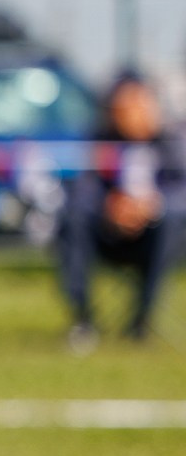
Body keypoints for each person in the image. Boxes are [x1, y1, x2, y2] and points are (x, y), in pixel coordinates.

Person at [59, 73, 181, 347]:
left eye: (139, 106)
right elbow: (79, 188)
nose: (132, 115)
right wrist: (108, 208)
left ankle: (142, 321)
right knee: (73, 219)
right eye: (123, 109)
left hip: (153, 236)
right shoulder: (100, 143)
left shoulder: (172, 146)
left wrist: (152, 206)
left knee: (172, 222)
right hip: (106, 235)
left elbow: (181, 190)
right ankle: (83, 320)